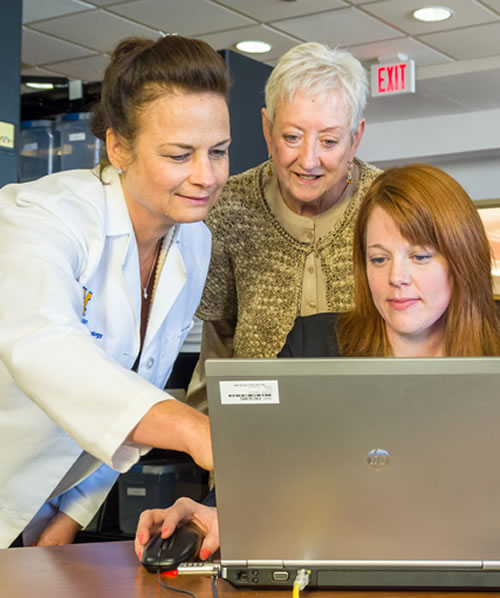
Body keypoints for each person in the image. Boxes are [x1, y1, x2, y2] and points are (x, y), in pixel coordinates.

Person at [134, 163, 500, 561]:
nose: (397, 277)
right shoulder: (312, 344)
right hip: (333, 571)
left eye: (420, 256)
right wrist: (213, 513)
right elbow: (261, 463)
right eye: (379, 259)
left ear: (461, 259)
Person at [0, 34, 231, 548]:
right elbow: (49, 351)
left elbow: (137, 383)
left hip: (43, 513)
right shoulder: (38, 218)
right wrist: (195, 430)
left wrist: (68, 519)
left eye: (218, 151)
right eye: (179, 154)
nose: (206, 175)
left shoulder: (193, 242)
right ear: (118, 147)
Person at [186, 41, 382, 412]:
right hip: (258, 426)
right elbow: (218, 347)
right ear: (267, 128)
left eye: (329, 140)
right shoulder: (229, 207)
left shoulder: (386, 205)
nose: (308, 161)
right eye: (292, 137)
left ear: (355, 138)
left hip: (366, 423)